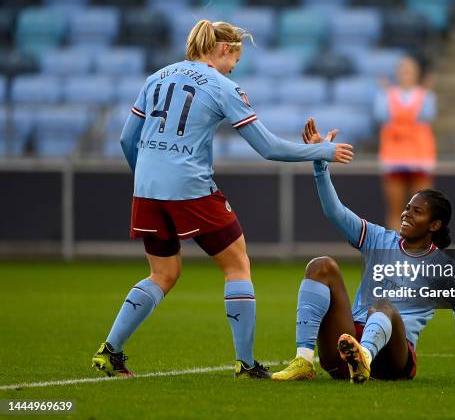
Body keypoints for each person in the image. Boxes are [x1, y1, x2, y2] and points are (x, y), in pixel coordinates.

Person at [91, 20, 354, 379]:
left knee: (162, 273)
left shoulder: (156, 77)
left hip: (146, 188)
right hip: (190, 187)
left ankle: (110, 350)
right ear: (225, 49)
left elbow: (126, 140)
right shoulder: (221, 85)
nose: (234, 67)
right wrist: (322, 150)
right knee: (237, 265)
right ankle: (245, 363)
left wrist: (149, 177)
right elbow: (268, 147)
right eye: (235, 59)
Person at [272, 119, 455, 383]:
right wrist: (320, 164)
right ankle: (304, 361)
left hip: (394, 360)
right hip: (347, 344)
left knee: (382, 307)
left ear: (434, 225)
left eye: (417, 211)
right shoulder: (380, 238)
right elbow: (335, 212)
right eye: (407, 208)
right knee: (320, 266)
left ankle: (363, 358)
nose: (405, 214)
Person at [375, 56, 437, 232]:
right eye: (402, 71)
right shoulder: (385, 96)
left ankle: (420, 254)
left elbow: (427, 116)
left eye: (409, 71)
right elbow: (381, 116)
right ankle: (397, 252)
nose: (406, 75)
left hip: (420, 155)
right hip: (393, 156)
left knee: (423, 209)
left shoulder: (426, 96)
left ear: (417, 74)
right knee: (396, 210)